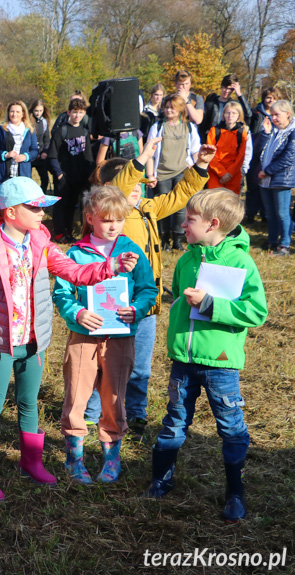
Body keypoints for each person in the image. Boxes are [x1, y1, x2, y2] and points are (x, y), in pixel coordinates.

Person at [0, 178, 135, 499]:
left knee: (29, 403)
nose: (43, 213)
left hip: (34, 341)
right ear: (11, 212)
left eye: (43, 207)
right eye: (35, 207)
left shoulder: (40, 241)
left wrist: (109, 266)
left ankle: (31, 463)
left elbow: (72, 271)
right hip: (0, 343)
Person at [145, 188, 268, 523]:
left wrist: (211, 305)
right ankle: (161, 479)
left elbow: (256, 312)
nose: (183, 224)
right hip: (182, 361)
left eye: (190, 220)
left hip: (221, 364)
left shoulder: (241, 261)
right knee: (173, 421)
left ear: (213, 224)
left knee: (230, 428)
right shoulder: (188, 258)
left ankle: (236, 491)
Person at [88, 139, 214, 438]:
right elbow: (120, 189)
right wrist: (143, 156)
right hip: (114, 305)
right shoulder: (114, 215)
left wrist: (201, 166)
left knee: (140, 366)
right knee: (102, 362)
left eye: (141, 185)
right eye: (132, 183)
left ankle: (136, 412)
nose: (137, 190)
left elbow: (182, 193)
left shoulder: (148, 208)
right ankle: (91, 412)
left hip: (146, 305)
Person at [53, 187, 157, 484]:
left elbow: (148, 289)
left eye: (119, 220)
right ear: (90, 218)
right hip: (84, 336)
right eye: (107, 220)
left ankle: (112, 457)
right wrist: (77, 313)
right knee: (76, 395)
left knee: (114, 398)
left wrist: (136, 309)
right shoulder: (74, 252)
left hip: (120, 337)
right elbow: (62, 293)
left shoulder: (133, 251)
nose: (113, 226)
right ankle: (74, 458)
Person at [146, 95, 201, 251]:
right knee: (163, 207)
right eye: (167, 107)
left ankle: (177, 239)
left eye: (172, 107)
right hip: (162, 173)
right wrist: (150, 175)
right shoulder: (157, 127)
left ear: (180, 109)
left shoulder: (189, 127)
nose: (169, 110)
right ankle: (164, 239)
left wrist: (196, 169)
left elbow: (196, 150)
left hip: (182, 172)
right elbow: (150, 153)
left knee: (181, 208)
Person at [49, 98, 95, 243]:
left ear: (84, 114)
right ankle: (59, 234)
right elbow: (52, 155)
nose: (77, 116)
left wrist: (90, 173)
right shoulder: (61, 131)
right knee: (61, 205)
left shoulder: (85, 131)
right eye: (74, 112)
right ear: (69, 112)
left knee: (72, 206)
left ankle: (68, 232)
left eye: (80, 113)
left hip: (79, 176)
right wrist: (59, 173)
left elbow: (88, 154)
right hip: (63, 175)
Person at [256, 99, 295, 256]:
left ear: (288, 114)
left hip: (281, 179)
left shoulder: (292, 132)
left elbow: (289, 157)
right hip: (266, 180)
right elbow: (261, 151)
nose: (274, 118)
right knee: (270, 213)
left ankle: (284, 244)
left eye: (277, 115)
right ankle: (272, 241)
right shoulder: (274, 130)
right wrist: (265, 133)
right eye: (271, 115)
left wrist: (267, 171)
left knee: (283, 213)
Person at [244, 87, 283, 224]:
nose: (270, 100)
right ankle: (250, 213)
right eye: (268, 97)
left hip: (271, 155)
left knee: (267, 186)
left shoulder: (280, 115)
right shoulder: (256, 112)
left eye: (273, 97)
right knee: (253, 185)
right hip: (256, 153)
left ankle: (265, 214)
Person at [0, 100, 39, 193]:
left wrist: (25, 156)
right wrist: (5, 154)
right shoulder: (1, 130)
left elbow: (35, 151)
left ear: (23, 114)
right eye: (12, 111)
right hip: (4, 174)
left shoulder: (30, 131)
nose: (14, 114)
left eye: (17, 112)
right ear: (8, 113)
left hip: (23, 174)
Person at [206, 101, 250, 194]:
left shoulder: (242, 133)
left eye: (234, 113)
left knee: (231, 204)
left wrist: (229, 174)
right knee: (214, 203)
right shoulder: (214, 131)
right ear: (223, 115)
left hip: (233, 174)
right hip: (215, 173)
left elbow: (241, 156)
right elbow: (210, 154)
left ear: (239, 115)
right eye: (227, 113)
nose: (230, 116)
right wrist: (222, 173)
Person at [199, 74, 252, 142]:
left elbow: (248, 114)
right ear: (221, 87)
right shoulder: (210, 104)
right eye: (225, 87)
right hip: (210, 139)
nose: (226, 91)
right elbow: (202, 126)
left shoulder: (233, 105)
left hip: (227, 140)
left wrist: (239, 94)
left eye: (230, 89)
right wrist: (203, 141)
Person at [29, 99, 51, 191]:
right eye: (36, 111)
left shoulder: (44, 122)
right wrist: (33, 153)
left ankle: (42, 197)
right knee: (27, 180)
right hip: (29, 155)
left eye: (40, 111)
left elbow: (47, 139)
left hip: (41, 155)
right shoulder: (28, 122)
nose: (38, 113)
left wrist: (45, 152)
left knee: (45, 179)